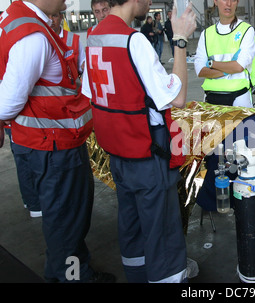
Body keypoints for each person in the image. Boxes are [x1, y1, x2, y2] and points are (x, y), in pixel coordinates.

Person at [82, 0, 196, 283]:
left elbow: (91, 92)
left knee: (131, 223)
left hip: (118, 153)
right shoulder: (135, 41)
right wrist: (180, 41)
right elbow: (176, 97)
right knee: (161, 229)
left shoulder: (94, 36)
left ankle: (136, 274)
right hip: (147, 153)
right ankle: (168, 276)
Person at [0, 0, 114, 283]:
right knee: (68, 224)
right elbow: (8, 103)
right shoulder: (33, 36)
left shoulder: (16, 19)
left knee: (61, 220)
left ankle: (65, 271)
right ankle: (74, 277)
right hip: (54, 147)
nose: (67, 0)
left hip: (42, 143)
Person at [194, 0, 255, 107]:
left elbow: (239, 67)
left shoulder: (246, 30)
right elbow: (200, 70)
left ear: (237, 2)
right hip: (211, 97)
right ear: (216, 2)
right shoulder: (206, 34)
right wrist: (229, 69)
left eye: (233, 0)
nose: (229, 4)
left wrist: (212, 64)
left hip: (239, 97)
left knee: (241, 124)